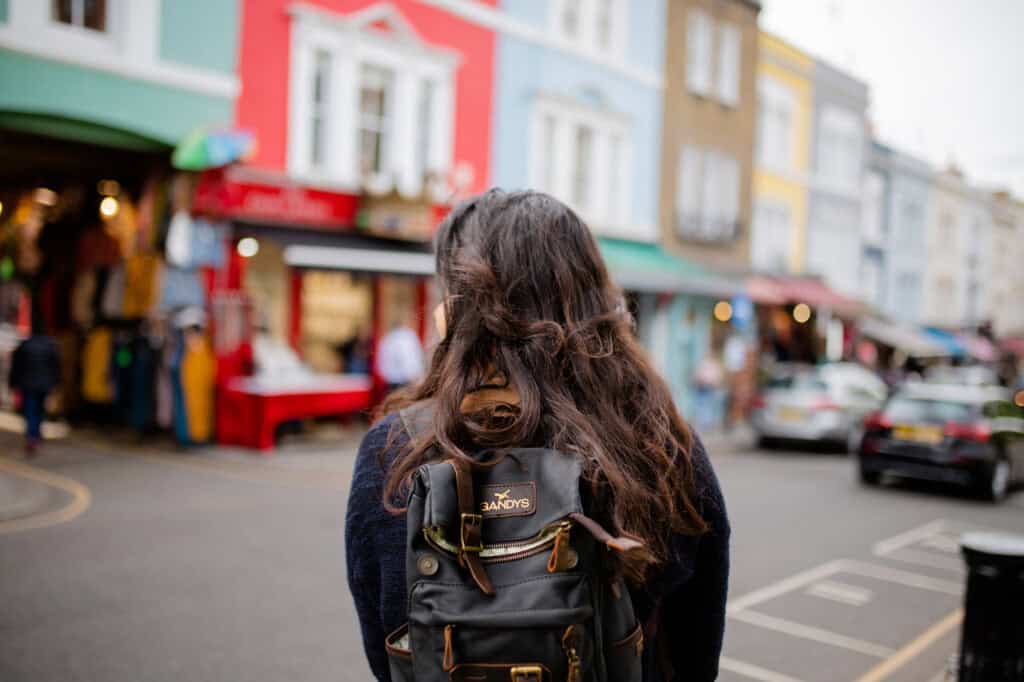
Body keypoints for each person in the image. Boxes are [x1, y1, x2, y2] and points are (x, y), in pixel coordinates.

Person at [345, 190, 730, 681]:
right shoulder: (660, 446)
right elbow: (697, 652)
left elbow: (387, 649)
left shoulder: (393, 451)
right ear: (595, 301)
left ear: (457, 310)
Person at [9, 323, 61, 456]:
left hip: (28, 385)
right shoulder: (50, 346)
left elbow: (16, 367)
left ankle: (32, 436)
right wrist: (55, 383)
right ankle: (36, 434)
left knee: (31, 410)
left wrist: (13, 383)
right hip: (44, 385)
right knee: (39, 410)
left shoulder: (25, 346)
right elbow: (55, 367)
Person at [375, 318, 424, 393]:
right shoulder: (406, 337)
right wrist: (414, 376)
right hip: (405, 381)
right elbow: (407, 359)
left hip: (391, 381)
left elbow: (381, 363)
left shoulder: (386, 339)